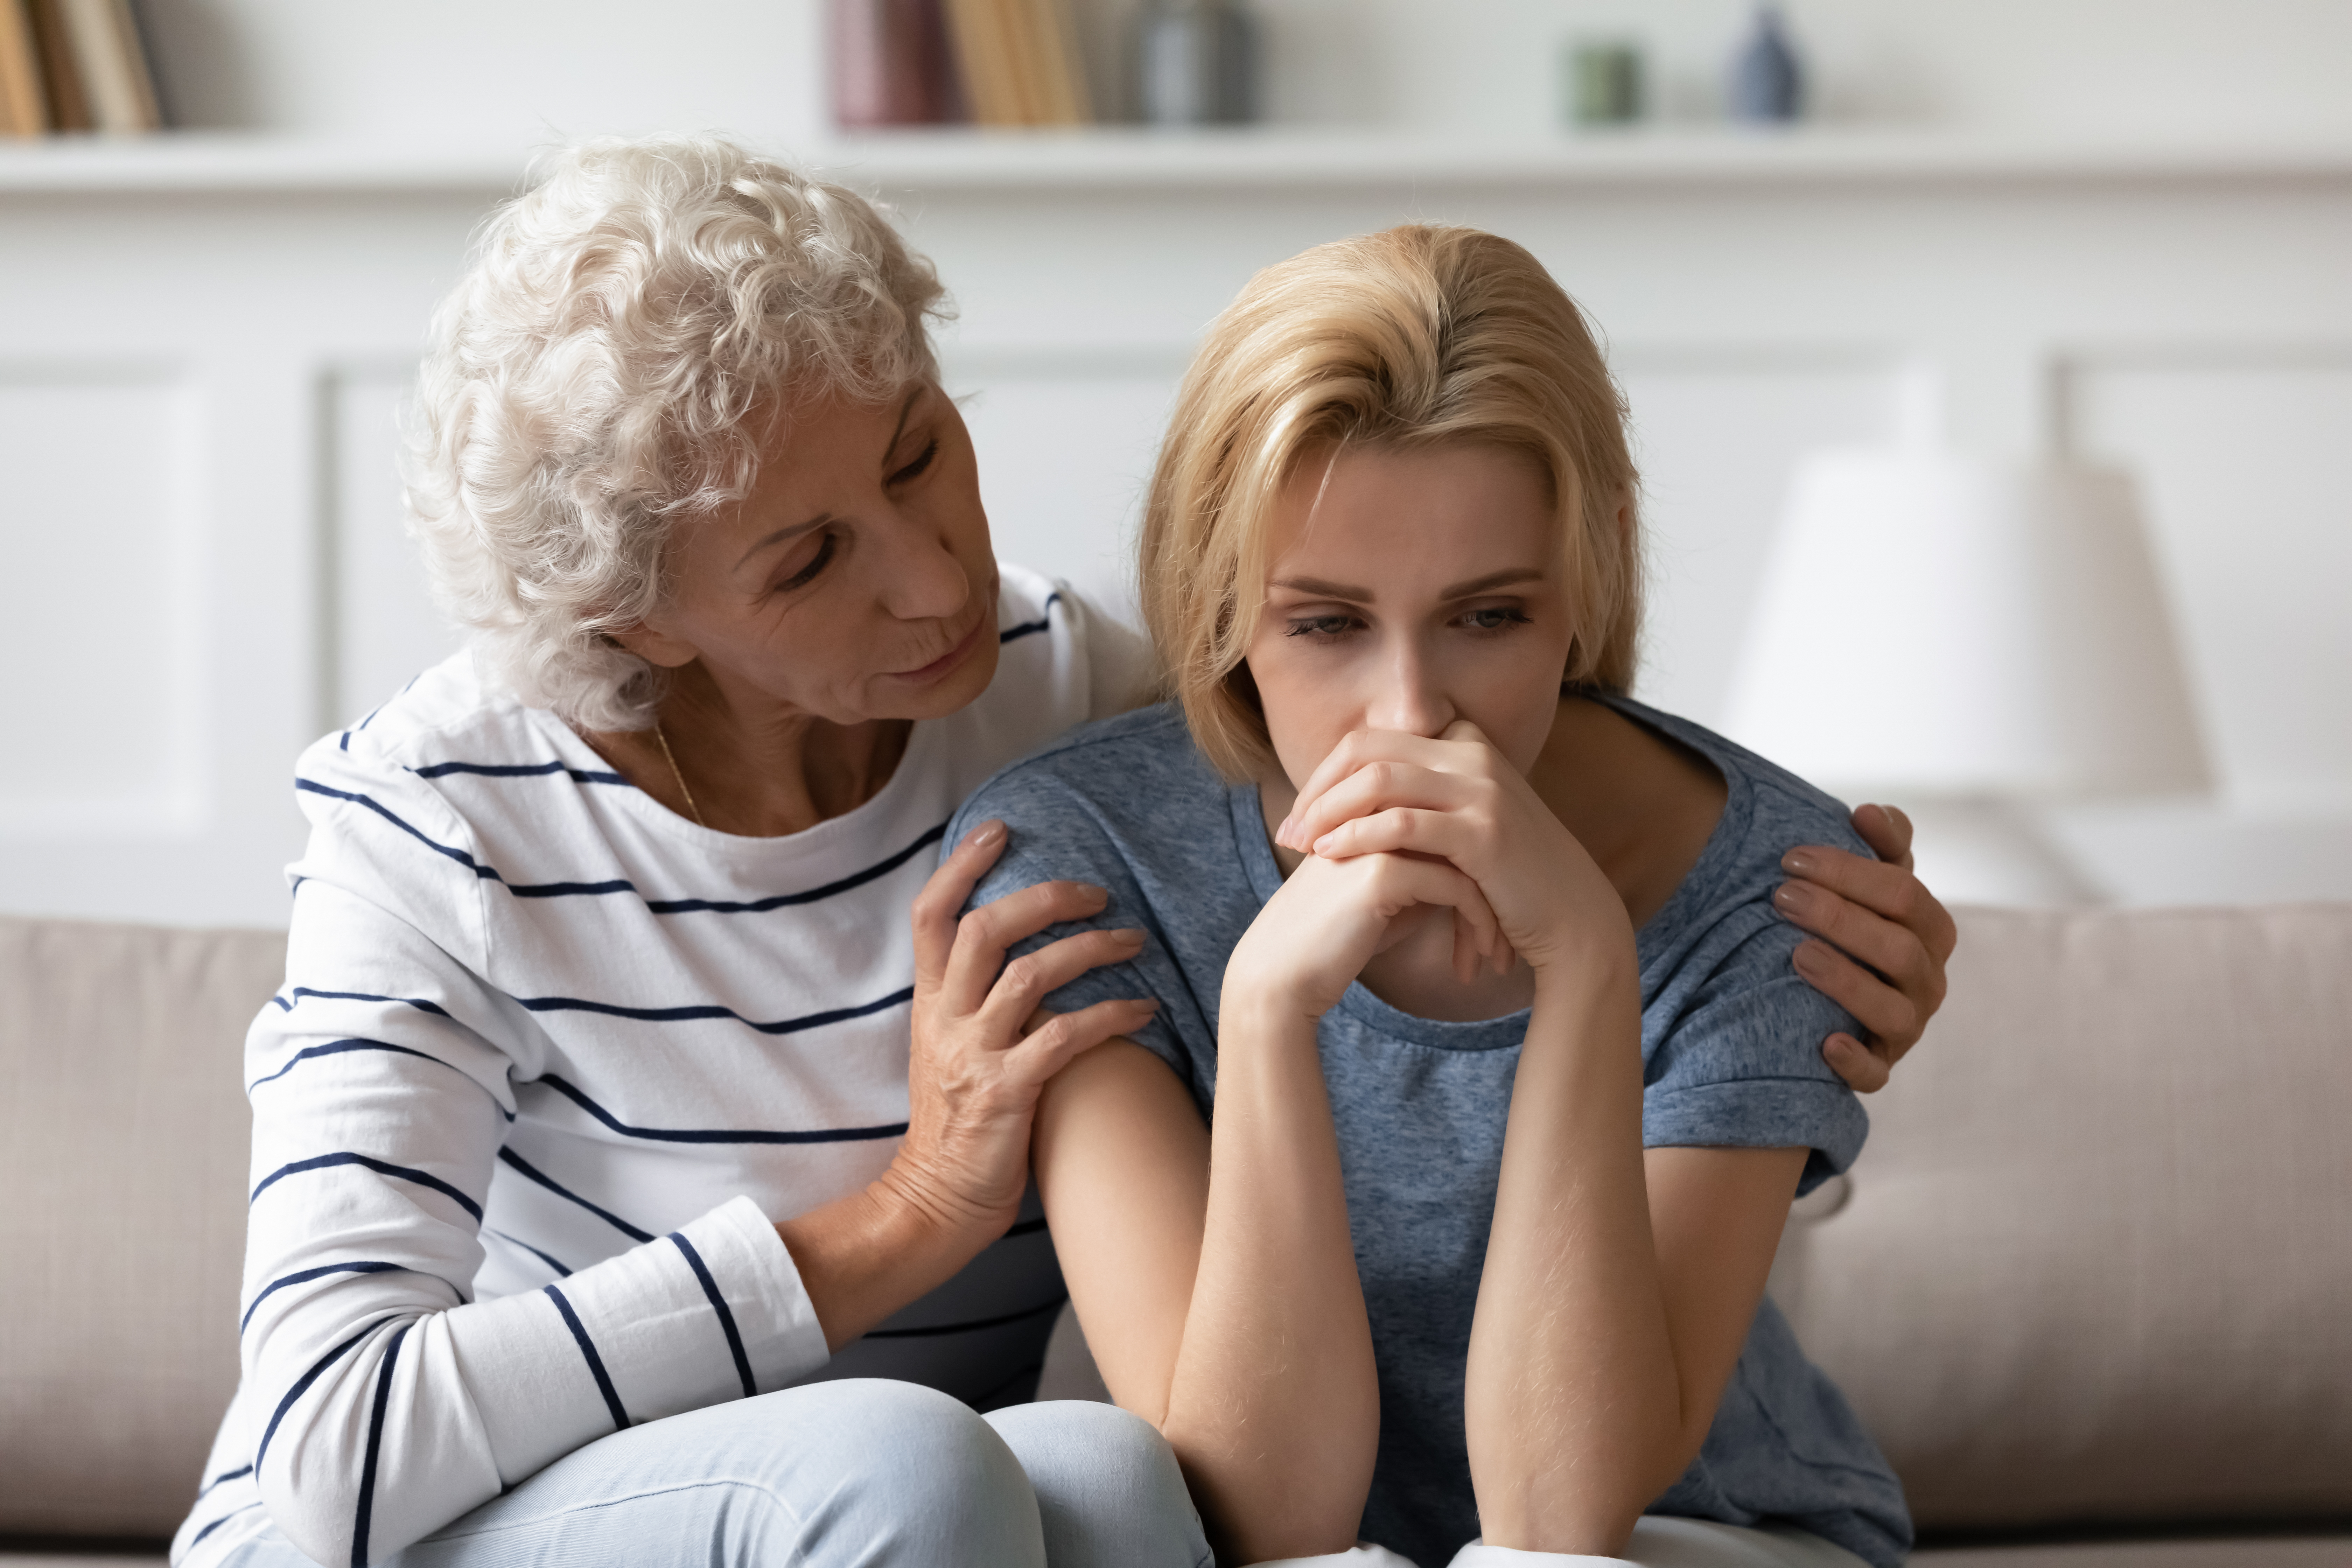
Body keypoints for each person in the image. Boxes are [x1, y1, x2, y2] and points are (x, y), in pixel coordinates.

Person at [175, 137, 1948, 1568]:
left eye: (922, 454)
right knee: (910, 1464)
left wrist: (1795, 940)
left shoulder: (1058, 702)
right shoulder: (437, 824)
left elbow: (1411, 613)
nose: (940, 578)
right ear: (633, 621)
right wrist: (905, 1217)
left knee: (1104, 1479)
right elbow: (327, 1442)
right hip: (462, 1519)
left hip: (982, 1511)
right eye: (809, 563)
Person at [954, 225, 1955, 1568]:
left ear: (1588, 567)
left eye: (1490, 617)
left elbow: (1562, 1525)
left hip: (1706, 1537)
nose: (1413, 713)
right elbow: (1262, 1513)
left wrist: (1588, 958)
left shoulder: (1776, 886)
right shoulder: (1081, 857)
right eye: (1325, 624)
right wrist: (1263, 1007)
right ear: (1219, 589)